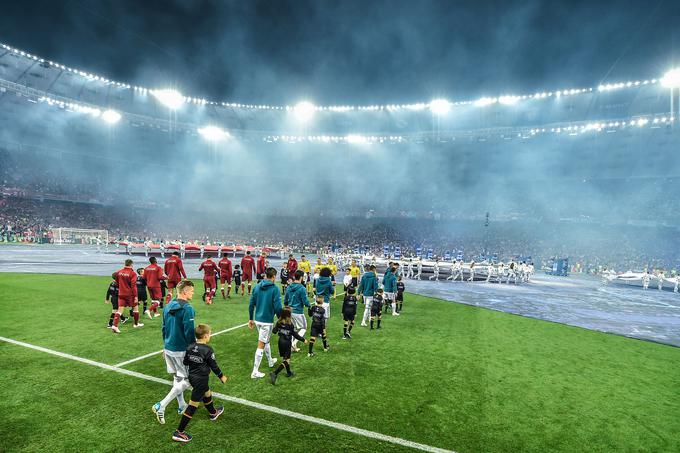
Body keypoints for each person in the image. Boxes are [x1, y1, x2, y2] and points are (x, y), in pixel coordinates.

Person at [172, 324, 227, 443]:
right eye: (210, 334)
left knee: (207, 392)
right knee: (192, 406)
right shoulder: (208, 349)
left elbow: (186, 362)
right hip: (201, 379)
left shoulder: (190, 347)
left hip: (193, 377)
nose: (210, 336)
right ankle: (179, 432)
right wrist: (221, 376)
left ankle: (213, 412)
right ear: (206, 336)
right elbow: (214, 366)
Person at [153, 280, 196, 425]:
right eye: (191, 291)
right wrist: (193, 350)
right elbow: (189, 332)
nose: (192, 293)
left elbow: (164, 328)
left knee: (178, 377)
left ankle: (182, 405)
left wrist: (165, 347)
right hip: (181, 350)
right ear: (184, 292)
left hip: (169, 348)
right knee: (188, 380)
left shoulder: (167, 306)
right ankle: (161, 405)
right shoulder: (187, 309)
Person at [248, 267, 282, 379]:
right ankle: (255, 371)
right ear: (272, 277)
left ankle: (270, 361)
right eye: (274, 277)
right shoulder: (275, 289)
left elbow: (251, 304)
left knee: (266, 341)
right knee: (261, 344)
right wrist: (281, 318)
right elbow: (277, 306)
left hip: (257, 320)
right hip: (266, 322)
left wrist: (250, 319)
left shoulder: (257, 287)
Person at [270, 307, 307, 385]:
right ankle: (275, 373)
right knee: (287, 361)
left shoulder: (279, 322)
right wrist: (303, 340)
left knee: (285, 358)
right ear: (289, 315)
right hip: (287, 343)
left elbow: (274, 331)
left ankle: (289, 372)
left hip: (280, 342)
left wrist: (274, 328)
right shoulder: (290, 324)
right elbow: (295, 334)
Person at [111, 259, 142, 333]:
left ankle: (114, 326)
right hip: (130, 294)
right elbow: (133, 286)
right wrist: (136, 296)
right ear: (131, 264)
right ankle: (136, 324)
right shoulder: (132, 273)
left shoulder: (119, 272)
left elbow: (116, 282)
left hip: (121, 293)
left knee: (120, 310)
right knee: (135, 308)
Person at [284, 270, 311, 352]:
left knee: (293, 329)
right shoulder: (302, 288)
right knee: (303, 327)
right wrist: (310, 306)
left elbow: (285, 300)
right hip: (298, 311)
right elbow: (305, 301)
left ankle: (292, 347)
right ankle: (294, 343)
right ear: (301, 277)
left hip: (289, 311)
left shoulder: (289, 287)